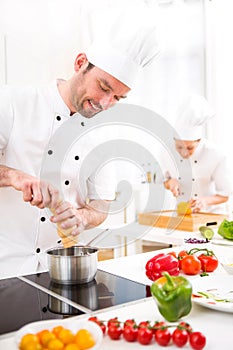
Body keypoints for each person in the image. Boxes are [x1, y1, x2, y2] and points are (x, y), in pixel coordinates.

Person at [0, 6, 160, 279]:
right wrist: (16, 177)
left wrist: (83, 217)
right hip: (5, 269)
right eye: (104, 87)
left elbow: (101, 205)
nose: (105, 103)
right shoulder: (12, 103)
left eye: (118, 98)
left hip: (60, 272)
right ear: (80, 63)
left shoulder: (103, 136)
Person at [164, 95, 233, 214]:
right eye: (179, 147)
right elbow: (164, 179)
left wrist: (204, 201)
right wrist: (171, 183)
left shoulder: (216, 155)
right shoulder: (165, 152)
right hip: (182, 215)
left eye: (190, 148)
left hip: (211, 215)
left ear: (199, 142)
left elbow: (224, 195)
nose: (184, 153)